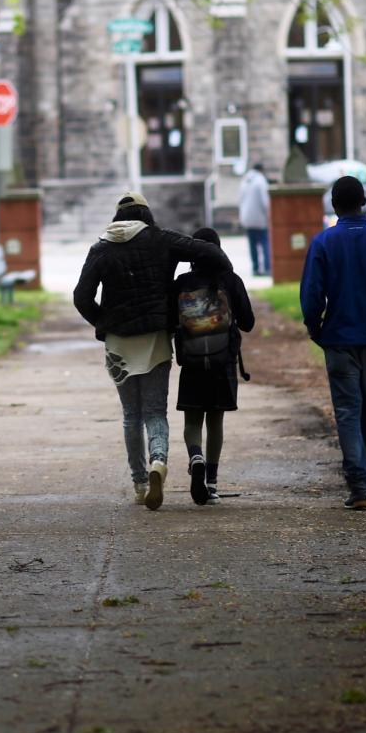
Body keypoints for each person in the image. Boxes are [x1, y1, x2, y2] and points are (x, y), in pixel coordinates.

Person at [74, 192, 233, 510]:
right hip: (156, 339)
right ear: (147, 215)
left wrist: (103, 323)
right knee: (154, 412)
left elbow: (81, 296)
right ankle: (157, 462)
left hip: (119, 342)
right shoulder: (161, 239)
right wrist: (209, 279)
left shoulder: (101, 249)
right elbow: (211, 253)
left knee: (131, 416)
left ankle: (139, 483)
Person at [299, 176, 366, 511]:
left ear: (334, 204)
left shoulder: (323, 243)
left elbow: (311, 295)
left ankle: (359, 481)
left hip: (339, 339)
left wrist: (315, 326)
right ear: (364, 201)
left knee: (347, 411)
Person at [171, 227, 255, 505]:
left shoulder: (182, 282)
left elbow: (170, 321)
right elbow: (248, 323)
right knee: (215, 419)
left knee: (192, 419)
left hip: (192, 362)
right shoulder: (230, 280)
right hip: (223, 361)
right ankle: (212, 481)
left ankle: (196, 456)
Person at [238, 163, 271, 277]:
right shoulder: (261, 181)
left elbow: (241, 200)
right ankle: (267, 267)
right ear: (261, 170)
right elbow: (265, 202)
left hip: (247, 218)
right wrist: (269, 215)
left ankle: (255, 268)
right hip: (260, 218)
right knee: (265, 242)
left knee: (252, 244)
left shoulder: (245, 180)